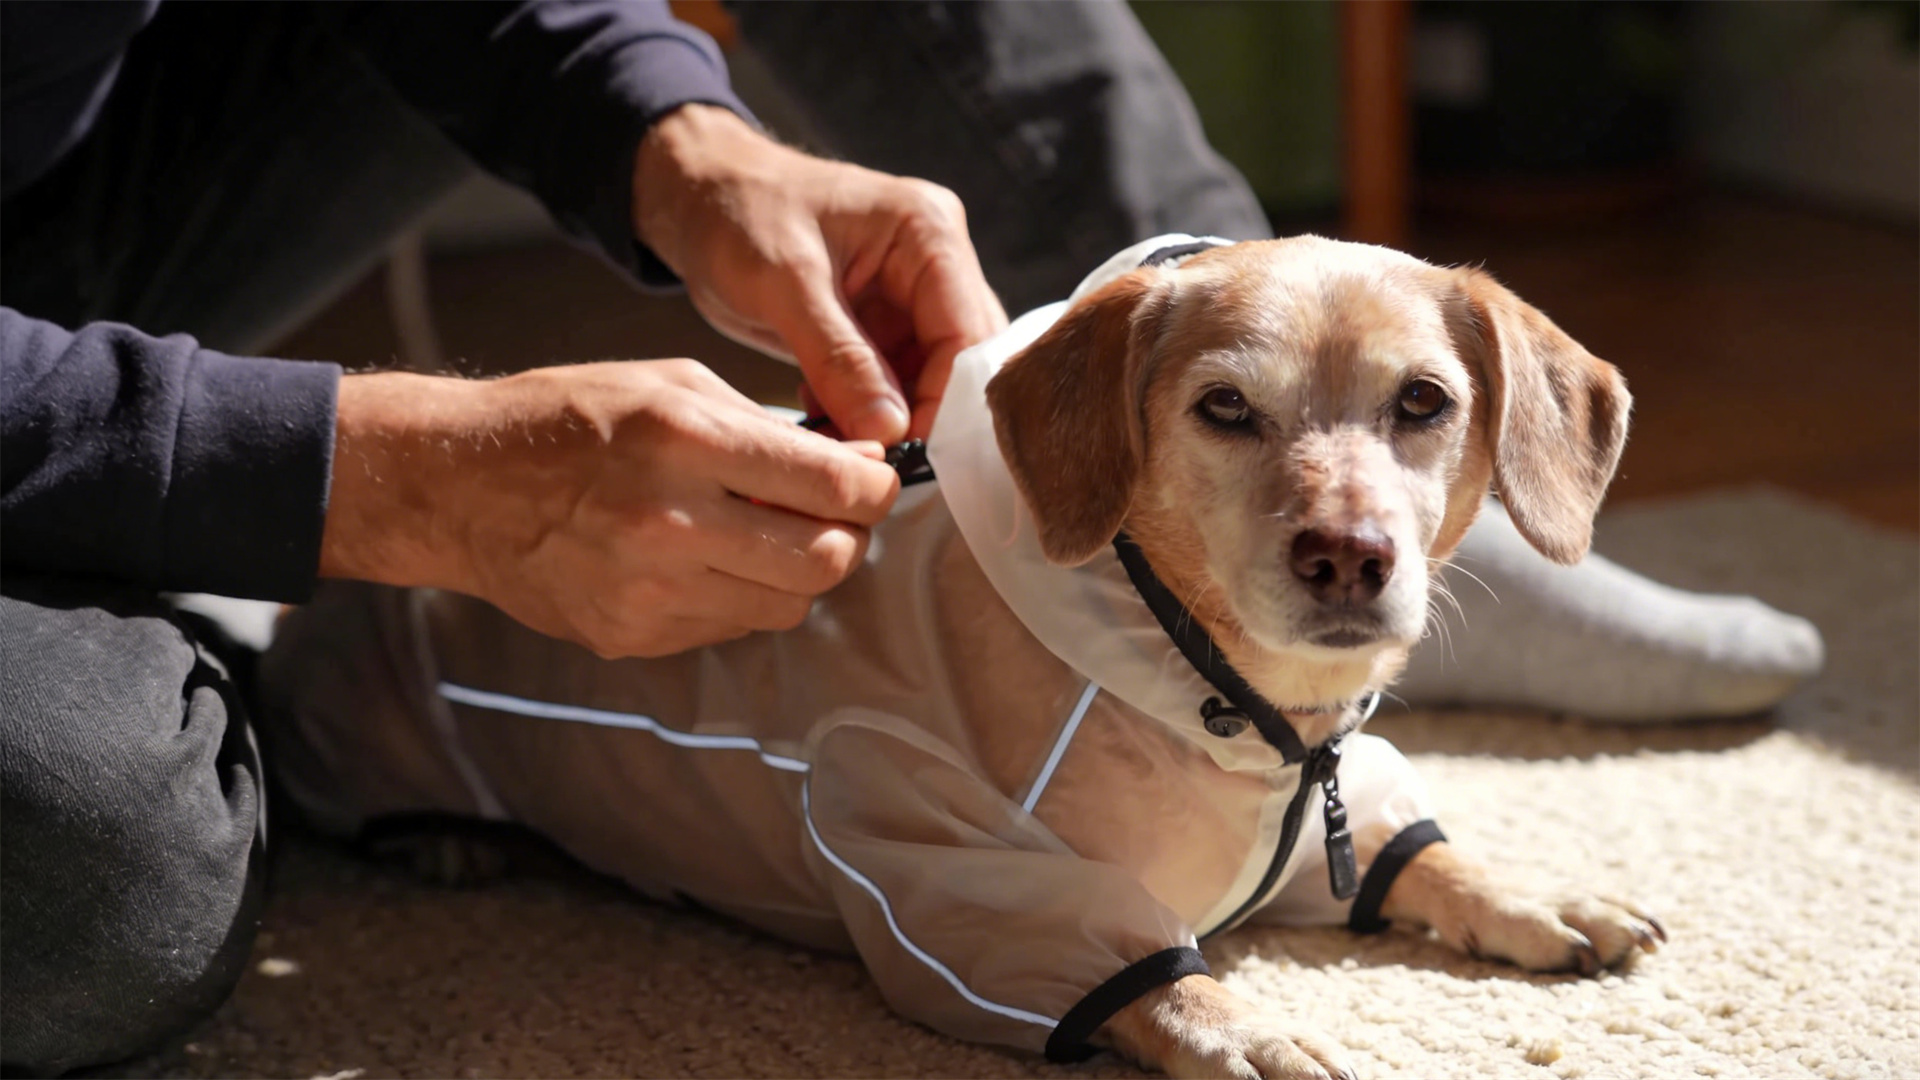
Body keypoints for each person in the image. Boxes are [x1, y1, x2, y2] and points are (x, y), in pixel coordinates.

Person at [0, 1, 1822, 1073]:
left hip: (84, 173)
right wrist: (361, 470)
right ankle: (183, 622)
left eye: (1420, 416)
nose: (1348, 520)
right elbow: (927, 854)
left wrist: (670, 127)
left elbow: (1275, 804)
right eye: (1236, 416)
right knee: (102, 870)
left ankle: (1342, 427)